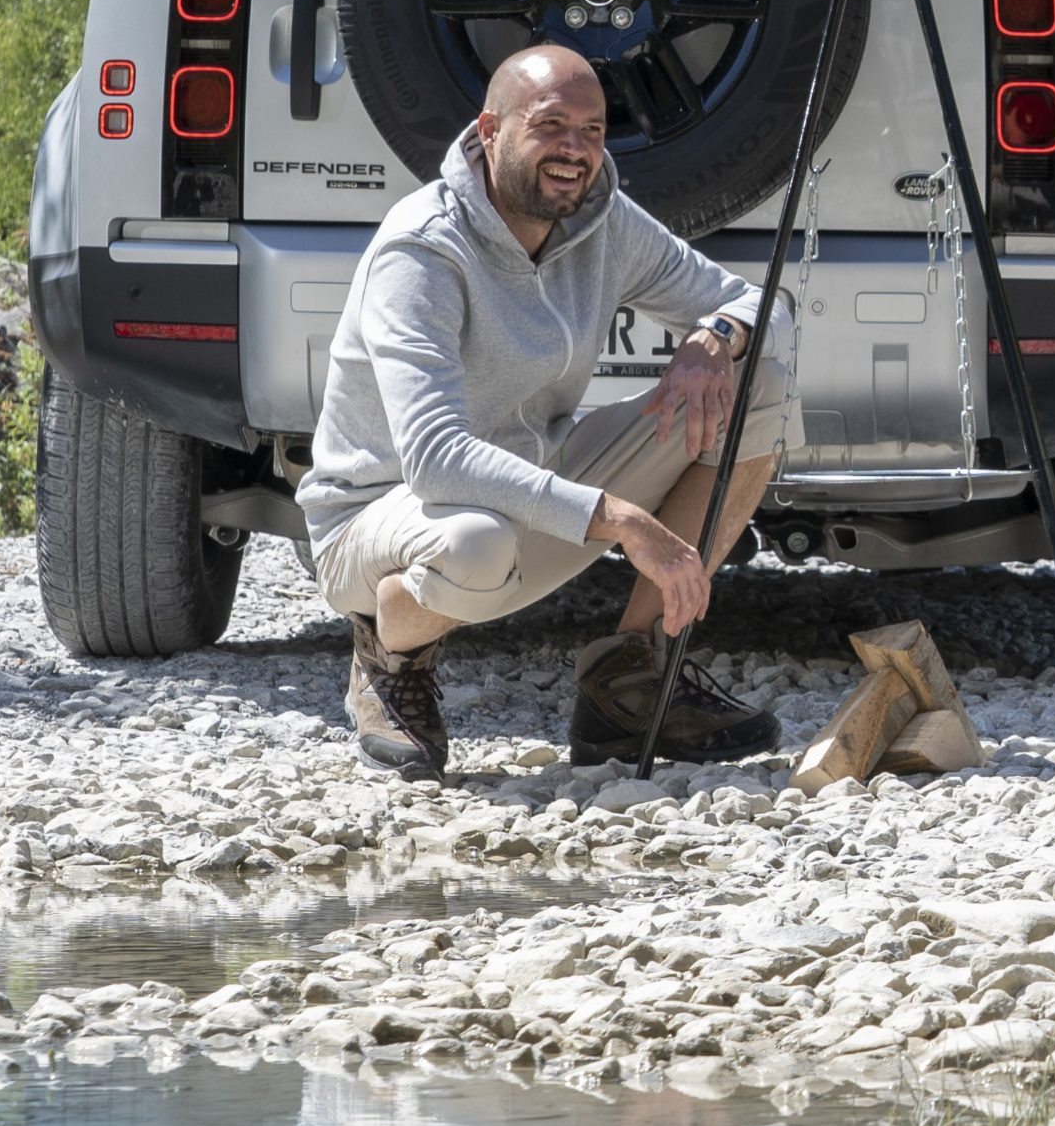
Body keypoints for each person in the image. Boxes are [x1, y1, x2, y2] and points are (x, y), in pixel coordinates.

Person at [300, 44, 792, 781]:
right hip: (380, 516)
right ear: (490, 131)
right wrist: (620, 518)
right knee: (473, 541)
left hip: (528, 479)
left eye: (592, 131)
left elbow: (767, 304)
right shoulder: (423, 248)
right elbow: (436, 457)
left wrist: (714, 336)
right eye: (551, 125)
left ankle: (627, 680)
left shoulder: (603, 221)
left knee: (761, 385)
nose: (575, 150)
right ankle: (390, 653)